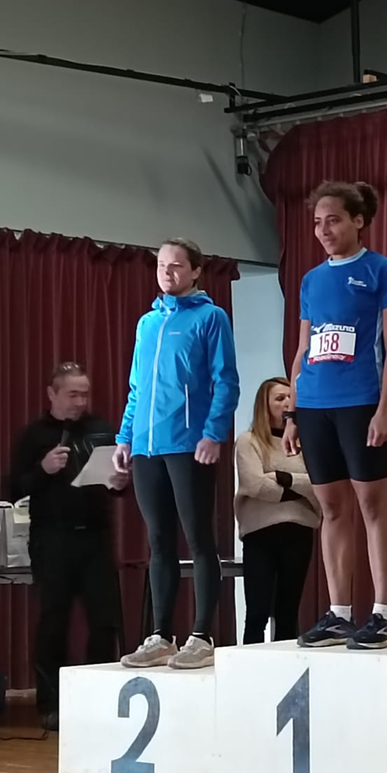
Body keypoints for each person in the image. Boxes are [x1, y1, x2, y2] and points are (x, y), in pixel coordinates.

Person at [284, 181, 387, 650]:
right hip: (315, 404)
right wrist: (293, 412)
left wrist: (385, 409)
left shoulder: (383, 271)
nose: (323, 230)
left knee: (372, 505)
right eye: (317, 222)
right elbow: (303, 349)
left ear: (358, 221)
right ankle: (339, 613)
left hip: (361, 401)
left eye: (333, 220)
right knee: (332, 509)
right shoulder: (311, 280)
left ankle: (384, 615)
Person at [114, 237, 240, 670]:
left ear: (196, 271)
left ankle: (201, 635)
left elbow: (226, 381)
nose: (167, 273)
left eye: (176, 266)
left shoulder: (210, 317)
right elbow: (136, 387)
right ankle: (160, 635)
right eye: (161, 266)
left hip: (190, 444)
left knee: (199, 538)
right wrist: (125, 437)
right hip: (148, 446)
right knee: (159, 541)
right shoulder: (147, 323)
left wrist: (213, 434)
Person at [9, 362, 127, 731]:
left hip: (95, 536)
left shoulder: (101, 429)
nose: (80, 401)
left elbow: (116, 485)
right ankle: (51, 703)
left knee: (104, 621)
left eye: (84, 394)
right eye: (73, 394)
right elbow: (12, 488)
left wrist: (120, 482)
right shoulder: (34, 435)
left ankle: (100, 698)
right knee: (53, 622)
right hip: (52, 538)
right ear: (52, 394)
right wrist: (42, 470)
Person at [235, 377, 321, 644]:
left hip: (299, 532)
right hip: (260, 534)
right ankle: (249, 664)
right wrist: (299, 489)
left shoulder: (306, 443)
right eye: (279, 398)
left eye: (290, 397)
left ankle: (285, 665)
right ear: (265, 405)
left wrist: (283, 478)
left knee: (288, 613)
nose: (286, 403)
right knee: (257, 612)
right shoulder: (249, 441)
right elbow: (255, 485)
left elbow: (318, 485)